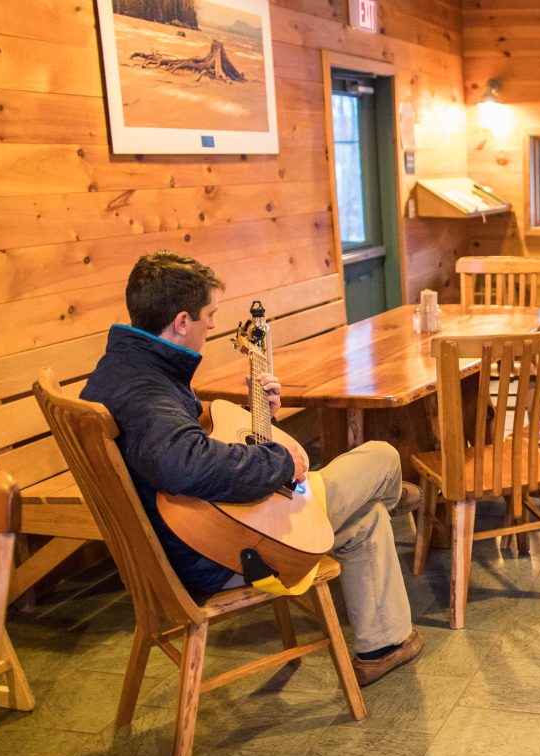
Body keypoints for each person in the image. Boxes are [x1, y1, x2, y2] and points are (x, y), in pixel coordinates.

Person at [81, 251, 422, 687]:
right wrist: (279, 461)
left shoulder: (123, 368)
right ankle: (395, 495)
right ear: (182, 321)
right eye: (209, 315)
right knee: (381, 456)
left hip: (192, 536)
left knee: (365, 517)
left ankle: (382, 647)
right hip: (220, 551)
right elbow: (184, 464)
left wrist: (255, 414)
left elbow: (181, 449)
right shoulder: (147, 391)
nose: (212, 325)